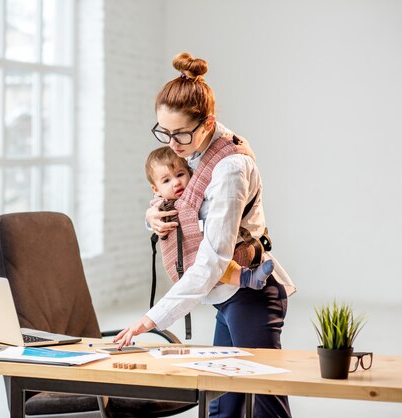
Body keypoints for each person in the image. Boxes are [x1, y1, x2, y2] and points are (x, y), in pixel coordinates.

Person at [114, 52, 295, 418]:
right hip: (227, 298)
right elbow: (181, 202)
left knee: (265, 405)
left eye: (180, 133)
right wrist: (152, 217)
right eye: (164, 132)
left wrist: (152, 319)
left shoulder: (230, 167)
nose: (173, 143)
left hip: (251, 295)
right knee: (222, 405)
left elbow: (213, 259)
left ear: (207, 122)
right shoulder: (193, 149)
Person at [145, 146, 274, 290]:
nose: (176, 183)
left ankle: (249, 278)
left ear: (190, 173)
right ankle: (249, 278)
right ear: (156, 189)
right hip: (183, 261)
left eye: (180, 174)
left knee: (219, 263)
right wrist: (150, 218)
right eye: (166, 181)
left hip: (208, 255)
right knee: (214, 266)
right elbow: (155, 217)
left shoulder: (198, 195)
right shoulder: (159, 207)